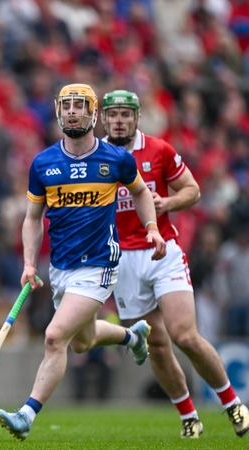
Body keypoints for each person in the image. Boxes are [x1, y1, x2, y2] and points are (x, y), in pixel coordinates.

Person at [0, 84, 166, 441]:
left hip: (100, 264)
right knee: (82, 342)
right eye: (66, 106)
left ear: (93, 113)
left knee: (55, 337)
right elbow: (32, 219)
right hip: (61, 267)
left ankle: (27, 414)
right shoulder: (43, 163)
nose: (72, 112)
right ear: (58, 111)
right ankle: (131, 336)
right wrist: (29, 264)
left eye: (80, 106)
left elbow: (140, 192)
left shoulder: (115, 158)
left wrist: (152, 228)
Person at [102, 89, 249, 438]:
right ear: (103, 119)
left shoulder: (159, 150)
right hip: (123, 260)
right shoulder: (94, 157)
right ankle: (188, 416)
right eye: (113, 115)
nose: (119, 121)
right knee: (156, 344)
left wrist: (167, 203)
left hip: (162, 250)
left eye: (126, 114)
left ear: (137, 117)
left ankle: (233, 405)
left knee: (184, 335)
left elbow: (192, 189)